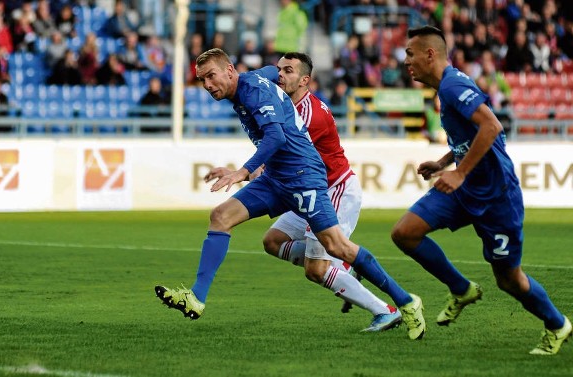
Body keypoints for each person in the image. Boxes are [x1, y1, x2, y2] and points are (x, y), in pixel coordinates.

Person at [155, 48, 425, 338]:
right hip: (276, 179)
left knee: (336, 249)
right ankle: (196, 297)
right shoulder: (257, 81)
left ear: (230, 71)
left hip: (307, 180)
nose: (207, 85)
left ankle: (405, 301)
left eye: (211, 76)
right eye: (202, 80)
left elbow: (277, 137)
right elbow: (271, 74)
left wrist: (243, 171)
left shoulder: (269, 97)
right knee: (223, 217)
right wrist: (245, 170)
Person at [392, 25, 571, 355]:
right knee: (405, 233)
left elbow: (492, 126)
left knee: (509, 280)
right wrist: (446, 162)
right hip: (464, 190)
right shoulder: (446, 87)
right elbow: (470, 134)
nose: (406, 61)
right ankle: (461, 289)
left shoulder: (452, 85)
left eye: (410, 53)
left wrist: (459, 172)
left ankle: (557, 324)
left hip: (496, 198)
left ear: (430, 54)